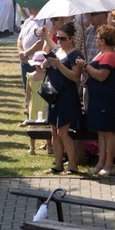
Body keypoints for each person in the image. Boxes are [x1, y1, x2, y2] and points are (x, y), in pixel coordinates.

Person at [39, 22, 83, 175]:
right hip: (53, 96)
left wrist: (58, 65)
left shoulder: (76, 54)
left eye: (63, 39)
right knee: (54, 133)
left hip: (67, 96)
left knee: (63, 132)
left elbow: (75, 77)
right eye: (57, 37)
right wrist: (48, 64)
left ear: (71, 39)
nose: (59, 41)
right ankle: (58, 165)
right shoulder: (57, 50)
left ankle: (72, 165)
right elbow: (52, 46)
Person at [76, 25, 115, 177]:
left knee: (108, 131)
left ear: (103, 40)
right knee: (101, 133)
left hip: (106, 99)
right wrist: (85, 68)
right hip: (96, 98)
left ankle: (109, 164)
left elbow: (102, 75)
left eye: (97, 38)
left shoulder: (109, 55)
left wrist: (86, 66)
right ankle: (100, 162)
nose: (95, 40)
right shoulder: (100, 54)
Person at [22, 51, 50, 154]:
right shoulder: (47, 76)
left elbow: (28, 92)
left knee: (32, 123)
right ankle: (49, 146)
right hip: (45, 101)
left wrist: (26, 105)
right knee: (47, 124)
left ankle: (32, 147)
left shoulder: (30, 76)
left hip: (33, 102)